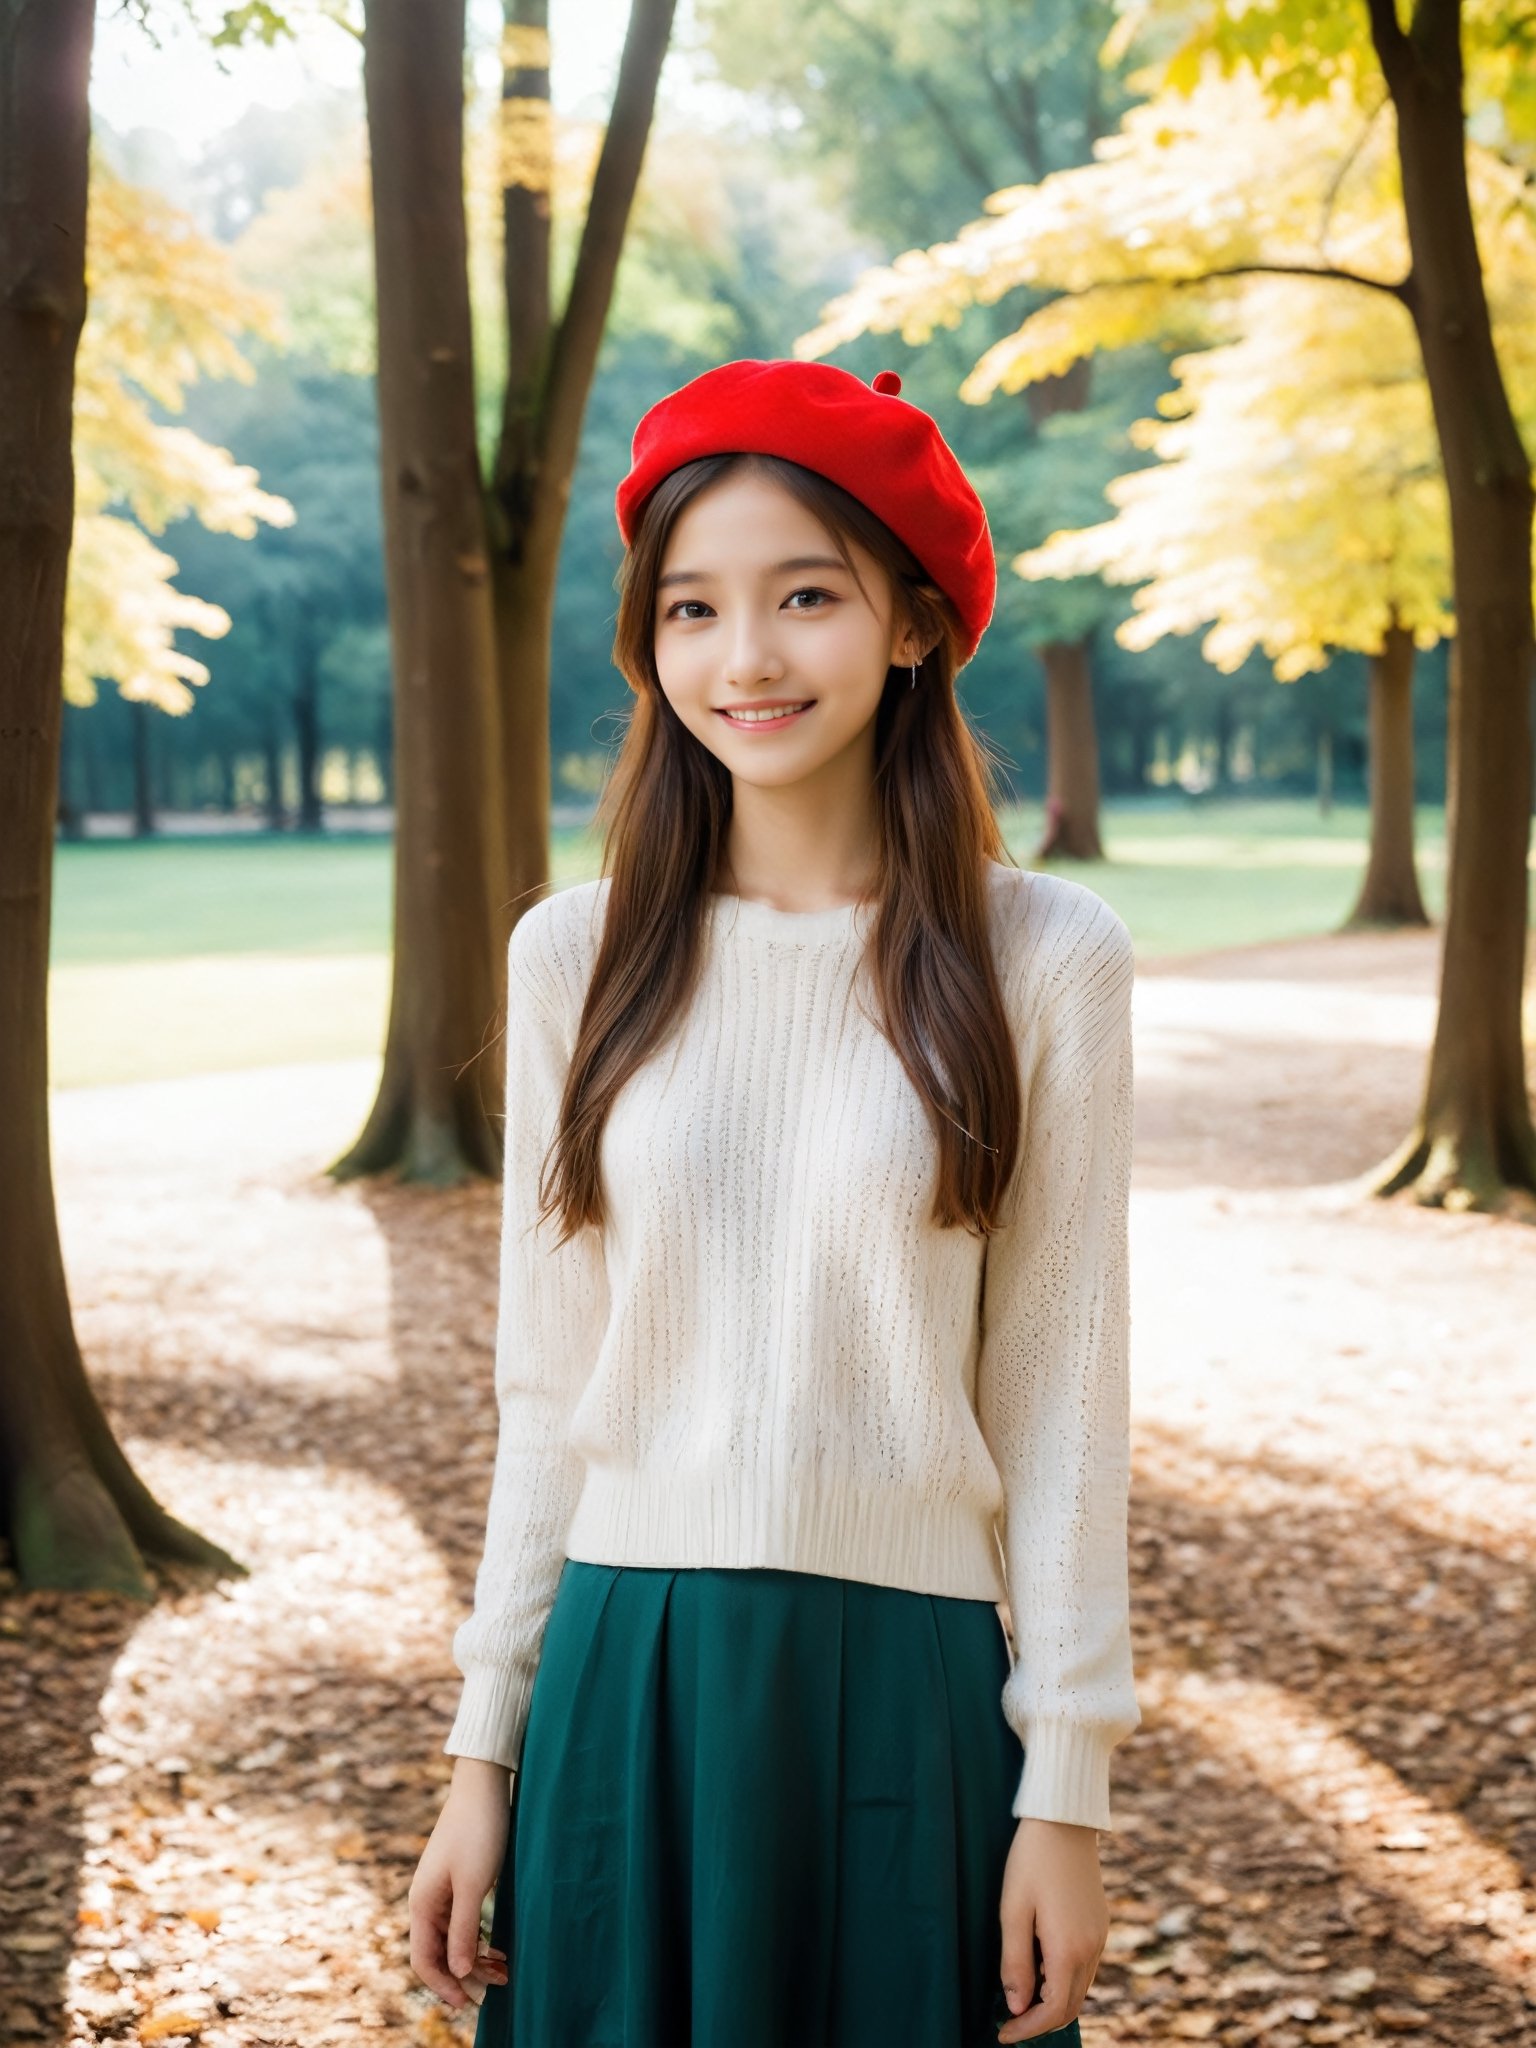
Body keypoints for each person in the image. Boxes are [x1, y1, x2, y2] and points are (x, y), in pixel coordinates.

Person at [407, 357, 1141, 2046]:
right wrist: (480, 1752)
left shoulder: (1046, 959)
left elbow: (1060, 1395)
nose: (742, 657)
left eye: (804, 595)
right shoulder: (572, 960)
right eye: (691, 608)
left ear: (908, 621)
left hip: (908, 1698)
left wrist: (1070, 1789)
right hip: (624, 1680)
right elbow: (548, 1391)